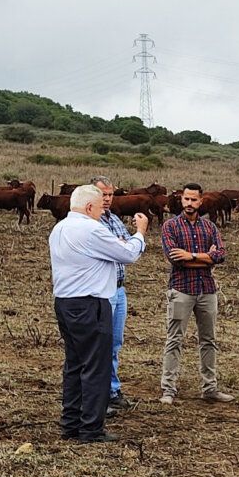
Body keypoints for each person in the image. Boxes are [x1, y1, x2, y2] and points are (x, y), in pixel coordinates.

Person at [49, 185, 148, 443]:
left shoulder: (59, 228)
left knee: (74, 364)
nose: (102, 211)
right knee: (96, 366)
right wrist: (140, 232)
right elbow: (128, 254)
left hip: (65, 302)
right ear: (90, 207)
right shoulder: (91, 229)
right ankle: (91, 428)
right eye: (99, 207)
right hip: (91, 304)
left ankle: (70, 423)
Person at [159, 183, 233, 404]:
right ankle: (168, 390)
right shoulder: (170, 226)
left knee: (208, 340)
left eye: (194, 200)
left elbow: (220, 255)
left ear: (201, 201)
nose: (189, 204)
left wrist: (190, 256)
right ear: (181, 200)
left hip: (206, 290)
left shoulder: (210, 227)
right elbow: (175, 259)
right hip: (181, 289)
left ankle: (210, 388)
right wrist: (205, 258)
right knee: (174, 340)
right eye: (186, 199)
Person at [91, 175, 143, 411]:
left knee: (114, 342)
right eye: (103, 194)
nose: (108, 199)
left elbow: (129, 251)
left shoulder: (114, 220)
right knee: (99, 342)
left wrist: (125, 245)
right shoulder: (91, 224)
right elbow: (124, 249)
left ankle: (111, 390)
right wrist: (126, 244)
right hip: (101, 291)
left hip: (119, 289)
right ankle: (99, 394)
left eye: (111, 194)